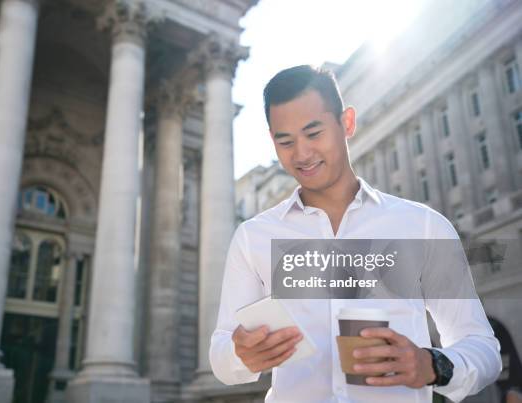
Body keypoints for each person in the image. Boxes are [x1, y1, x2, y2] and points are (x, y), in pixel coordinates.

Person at [209, 65, 502, 402]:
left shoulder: (423, 226)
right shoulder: (253, 237)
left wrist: (431, 364)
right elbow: (221, 353)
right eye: (285, 141)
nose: (302, 154)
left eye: (314, 133)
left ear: (346, 123)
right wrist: (240, 355)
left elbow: (482, 347)